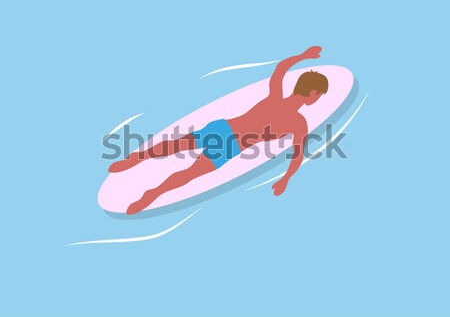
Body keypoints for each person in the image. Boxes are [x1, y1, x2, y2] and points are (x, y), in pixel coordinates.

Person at [109, 46, 328, 214]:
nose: (317, 100)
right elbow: (297, 155)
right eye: (318, 96)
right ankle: (145, 179)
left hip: (226, 132)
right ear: (313, 92)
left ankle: (145, 179)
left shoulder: (279, 101)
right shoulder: (295, 121)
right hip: (230, 140)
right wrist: (286, 180)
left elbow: (281, 68)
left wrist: (303, 56)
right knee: (183, 164)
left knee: (180, 156)